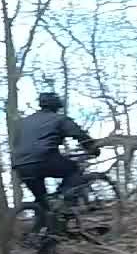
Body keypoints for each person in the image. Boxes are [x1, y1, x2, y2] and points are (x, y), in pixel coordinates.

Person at [11, 88, 99, 233]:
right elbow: (80, 135)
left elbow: (17, 143)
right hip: (43, 159)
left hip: (21, 165)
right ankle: (64, 202)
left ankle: (44, 238)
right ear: (57, 106)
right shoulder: (60, 119)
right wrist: (93, 149)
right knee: (73, 170)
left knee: (43, 203)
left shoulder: (24, 122)